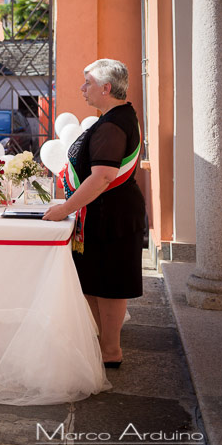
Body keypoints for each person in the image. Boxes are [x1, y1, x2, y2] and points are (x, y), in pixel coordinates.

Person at [43, 59, 145, 369]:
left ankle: (110, 351)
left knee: (110, 282)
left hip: (111, 215)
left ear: (106, 88)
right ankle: (101, 345)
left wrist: (64, 208)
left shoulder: (114, 123)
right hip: (105, 213)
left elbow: (102, 177)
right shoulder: (115, 118)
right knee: (95, 280)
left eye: (87, 83)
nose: (82, 88)